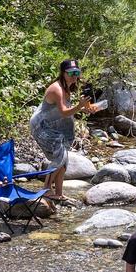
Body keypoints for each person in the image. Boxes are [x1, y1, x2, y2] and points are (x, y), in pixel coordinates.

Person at [29, 59, 93, 201]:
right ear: (63, 73)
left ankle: (58, 193)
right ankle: (46, 189)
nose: (74, 76)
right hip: (41, 126)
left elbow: (63, 111)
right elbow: (64, 112)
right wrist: (79, 105)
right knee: (60, 156)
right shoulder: (57, 89)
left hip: (53, 126)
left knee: (64, 159)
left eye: (77, 72)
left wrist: (84, 108)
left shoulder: (67, 88)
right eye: (70, 73)